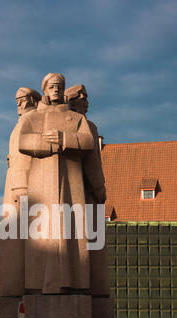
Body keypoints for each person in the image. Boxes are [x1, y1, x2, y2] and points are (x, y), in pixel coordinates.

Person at [16, 73, 95, 294]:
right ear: (45, 89)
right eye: (52, 86)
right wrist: (47, 144)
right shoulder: (33, 118)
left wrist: (64, 139)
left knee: (71, 233)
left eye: (59, 87)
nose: (56, 90)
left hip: (71, 183)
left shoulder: (75, 118)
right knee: (43, 235)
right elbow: (23, 141)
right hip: (40, 185)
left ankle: (74, 282)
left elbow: (88, 141)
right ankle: (41, 282)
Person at [65, 84, 110, 296]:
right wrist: (99, 186)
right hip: (87, 194)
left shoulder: (62, 126)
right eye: (83, 98)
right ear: (74, 101)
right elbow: (93, 160)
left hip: (66, 196)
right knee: (92, 246)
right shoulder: (87, 126)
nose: (87, 102)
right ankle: (93, 287)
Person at [0, 87, 41, 296]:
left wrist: (22, 187)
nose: (18, 103)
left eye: (22, 99)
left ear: (33, 99)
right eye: (16, 100)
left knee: (26, 242)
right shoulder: (21, 122)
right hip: (14, 181)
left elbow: (28, 157)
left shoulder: (33, 120)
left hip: (22, 185)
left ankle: (25, 285)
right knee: (14, 242)